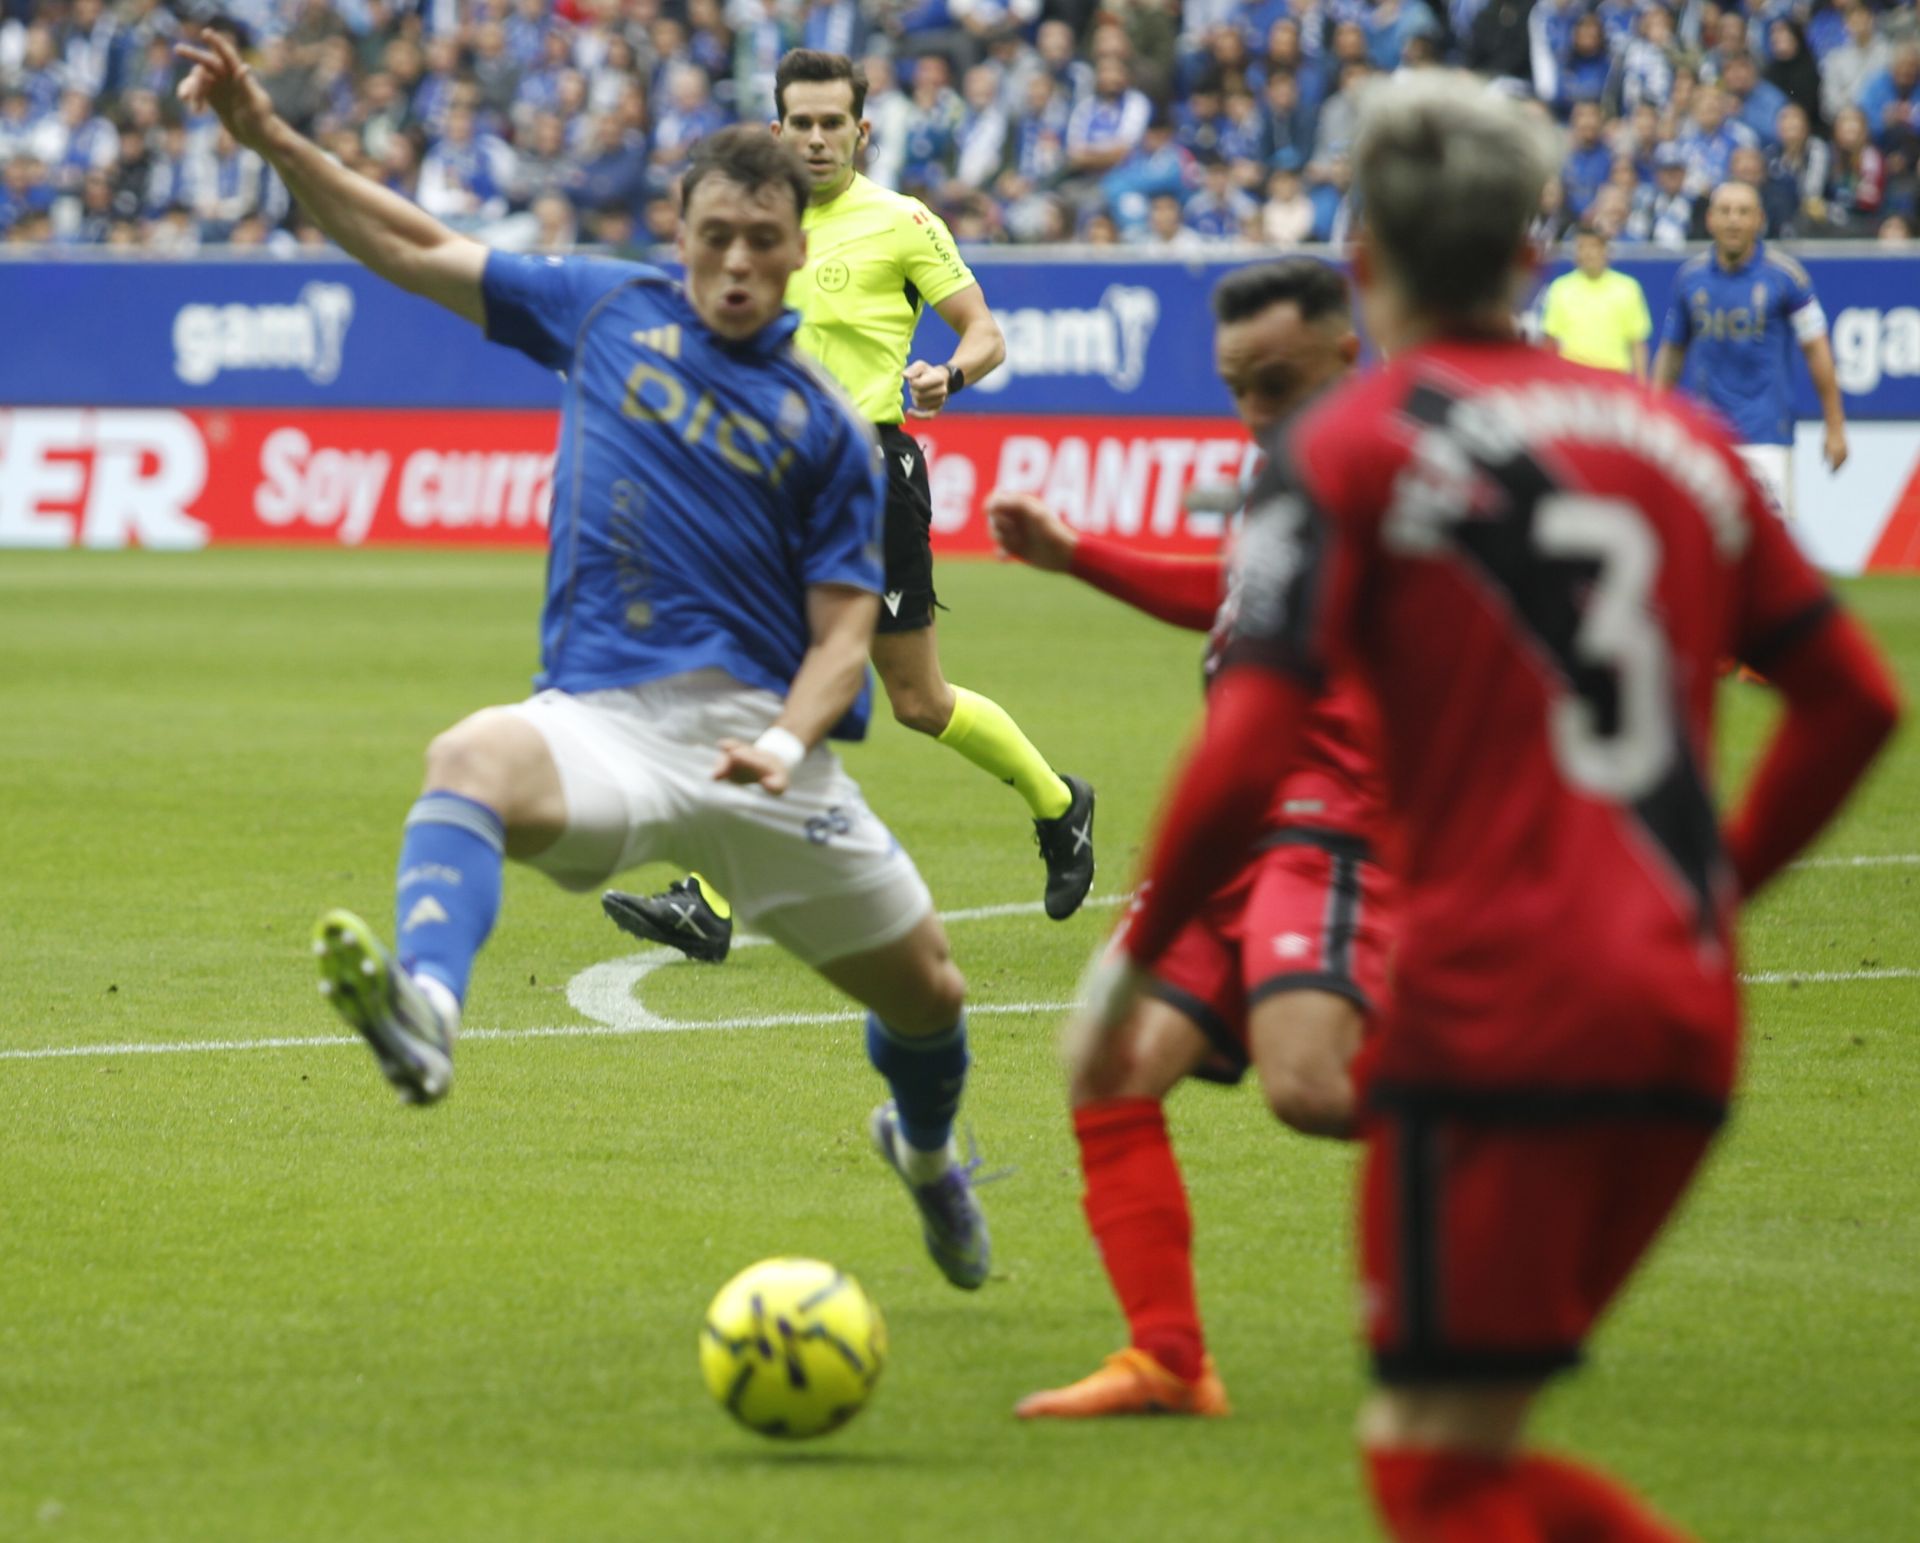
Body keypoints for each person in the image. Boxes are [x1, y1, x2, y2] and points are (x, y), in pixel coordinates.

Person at [1070, 75, 1899, 1538]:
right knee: (1460, 1453)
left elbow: (1245, 747)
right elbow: (1855, 703)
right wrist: (1711, 894)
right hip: (1679, 1012)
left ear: (1366, 269)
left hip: (1496, 1006)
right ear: (1535, 251)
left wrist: (1129, 962)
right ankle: (1165, 1348)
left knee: (1434, 1467)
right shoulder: (1678, 443)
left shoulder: (1349, 446)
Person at [171, 32, 993, 1289]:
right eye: (714, 233)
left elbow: (843, 640)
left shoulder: (829, 431)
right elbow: (412, 246)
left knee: (931, 994)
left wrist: (782, 741)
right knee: (468, 756)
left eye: (762, 240)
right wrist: (271, 141)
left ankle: (927, 1155)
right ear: (681, 236)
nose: (735, 260)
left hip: (759, 751)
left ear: (796, 249)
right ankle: (429, 1016)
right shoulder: (605, 309)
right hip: (604, 722)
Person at [987, 258, 1392, 1420]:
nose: (1258, 413)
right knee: (1109, 1062)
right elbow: (1233, 597)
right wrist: (1080, 557)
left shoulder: (1390, 480)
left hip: (1334, 820)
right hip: (1244, 825)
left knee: (1312, 1088)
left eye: (1281, 384)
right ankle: (1168, 1358)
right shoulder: (1288, 475)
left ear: (1345, 359)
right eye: (1237, 388)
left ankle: (1530, 1111)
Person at [606, 48, 1094, 964]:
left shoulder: (904, 222)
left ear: (862, 130)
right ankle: (709, 898)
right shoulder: (755, 226)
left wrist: (948, 372)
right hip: (770, 479)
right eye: (804, 123)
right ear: (778, 130)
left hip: (869, 475)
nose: (820, 138)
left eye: (835, 123)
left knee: (917, 700)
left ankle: (1061, 806)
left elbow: (986, 330)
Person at [1653, 178, 1850, 520]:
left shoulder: (1787, 277)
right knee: (1710, 550)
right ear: (1710, 219)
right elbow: (1672, 352)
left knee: (1767, 554)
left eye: (1743, 212)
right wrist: (1653, 415)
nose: (1733, 220)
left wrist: (1834, 425)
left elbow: (1817, 349)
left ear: (1759, 219)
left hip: (1767, 436)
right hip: (1708, 438)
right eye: (1725, 211)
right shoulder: (1690, 278)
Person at [1539, 224, 1653, 380]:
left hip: (1615, 379)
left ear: (1605, 250)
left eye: (1593, 247)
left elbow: (1637, 343)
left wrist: (1641, 384)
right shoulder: (1560, 288)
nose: (1588, 253)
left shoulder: (1628, 288)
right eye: (1581, 247)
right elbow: (1550, 341)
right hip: (1574, 381)